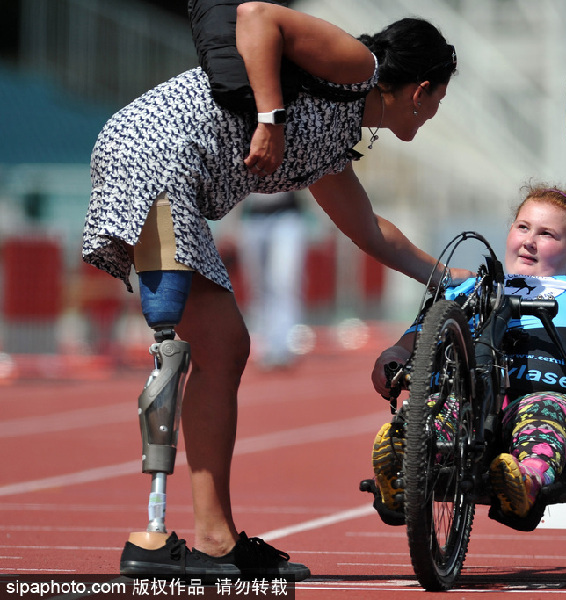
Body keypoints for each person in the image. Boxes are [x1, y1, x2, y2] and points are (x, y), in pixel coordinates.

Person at [82, 2, 468, 580]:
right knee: (211, 347)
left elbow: (370, 233)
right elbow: (258, 16)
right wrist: (269, 118)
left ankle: (215, 541)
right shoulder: (355, 65)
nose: (436, 112)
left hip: (160, 165)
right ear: (420, 89)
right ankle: (190, 539)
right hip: (155, 157)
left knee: (223, 348)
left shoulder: (333, 142)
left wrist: (446, 279)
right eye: (439, 99)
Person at [369, 185, 566, 524]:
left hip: (557, 402)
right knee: (439, 414)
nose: (529, 240)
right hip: (472, 405)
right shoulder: (469, 287)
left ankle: (526, 482)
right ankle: (401, 466)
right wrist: (392, 358)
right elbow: (411, 341)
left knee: (543, 412)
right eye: (523, 227)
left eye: (546, 234)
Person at [240, 191, 308, 370]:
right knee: (257, 285)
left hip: (286, 214)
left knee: (283, 281)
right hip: (252, 216)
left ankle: (283, 346)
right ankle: (263, 344)